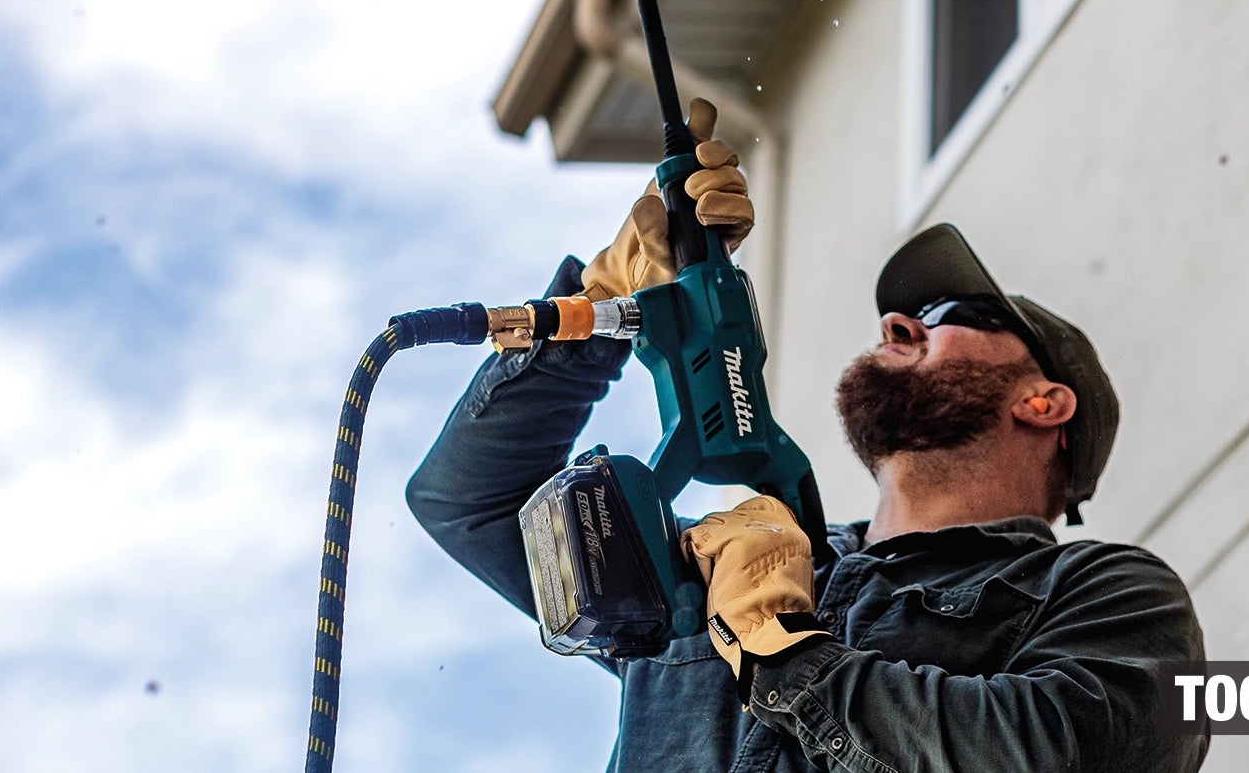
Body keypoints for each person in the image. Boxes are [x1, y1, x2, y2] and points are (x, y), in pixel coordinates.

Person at [408, 103, 1208, 771]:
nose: (896, 323)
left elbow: (1058, 753)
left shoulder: (1104, 591)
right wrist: (601, 304)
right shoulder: (721, 572)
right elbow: (470, 504)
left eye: (951, 318)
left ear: (1044, 402)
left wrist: (782, 653)